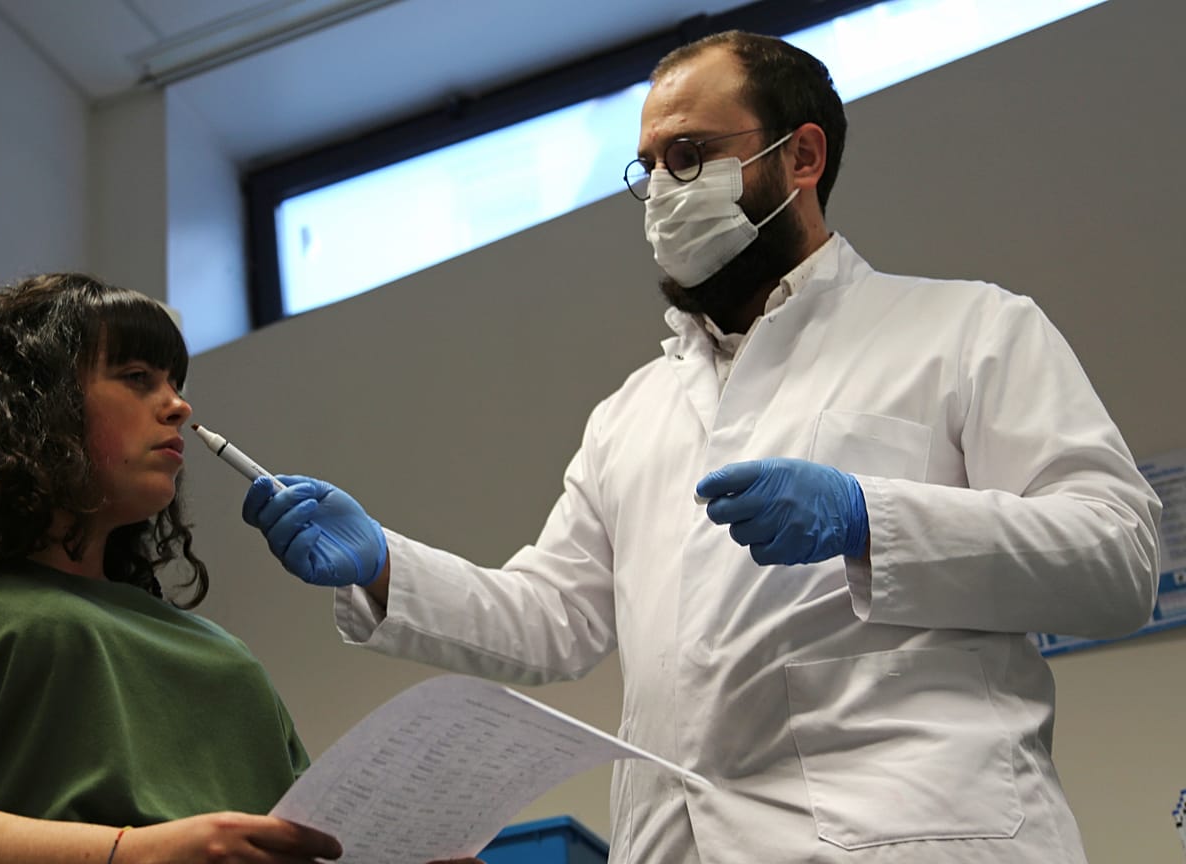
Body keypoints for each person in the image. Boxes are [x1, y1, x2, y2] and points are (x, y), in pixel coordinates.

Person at [241, 31, 1162, 864]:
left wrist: (868, 516)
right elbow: (554, 618)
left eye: (690, 155)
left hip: (917, 839)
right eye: (648, 167)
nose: (663, 191)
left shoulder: (967, 330)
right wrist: (383, 568)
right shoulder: (631, 413)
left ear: (801, 156)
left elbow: (1116, 557)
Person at [0, 274, 386, 864]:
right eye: (137, 377)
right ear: (29, 405)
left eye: (175, 382)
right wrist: (128, 853)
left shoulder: (226, 659)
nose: (179, 406)